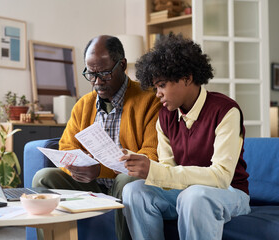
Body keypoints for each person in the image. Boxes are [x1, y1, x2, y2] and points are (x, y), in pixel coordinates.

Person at [120, 33, 251, 240]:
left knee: (194, 196)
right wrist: (145, 167)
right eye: (155, 88)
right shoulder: (164, 117)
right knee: (133, 191)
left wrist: (155, 171)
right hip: (184, 192)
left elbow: (221, 176)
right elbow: (168, 171)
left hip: (230, 192)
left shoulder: (226, 110)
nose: (157, 94)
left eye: (162, 85)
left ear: (187, 78)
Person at [32, 35, 161, 240]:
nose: (97, 82)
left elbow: (151, 154)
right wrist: (76, 167)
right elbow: (66, 146)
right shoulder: (84, 104)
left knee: (126, 179)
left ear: (123, 65)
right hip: (91, 184)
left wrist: (101, 169)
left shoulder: (150, 99)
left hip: (127, 184)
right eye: (91, 74)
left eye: (104, 73)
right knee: (43, 177)